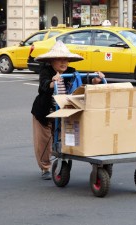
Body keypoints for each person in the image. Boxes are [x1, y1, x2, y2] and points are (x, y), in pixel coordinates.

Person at [31, 41, 105, 180]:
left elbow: (83, 82)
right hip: (44, 112)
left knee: (64, 139)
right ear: (52, 60)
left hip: (63, 112)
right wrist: (53, 82)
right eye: (60, 59)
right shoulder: (46, 71)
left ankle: (63, 162)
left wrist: (95, 80)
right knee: (44, 140)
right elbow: (44, 86)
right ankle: (45, 168)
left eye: (66, 59)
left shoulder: (71, 72)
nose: (64, 62)